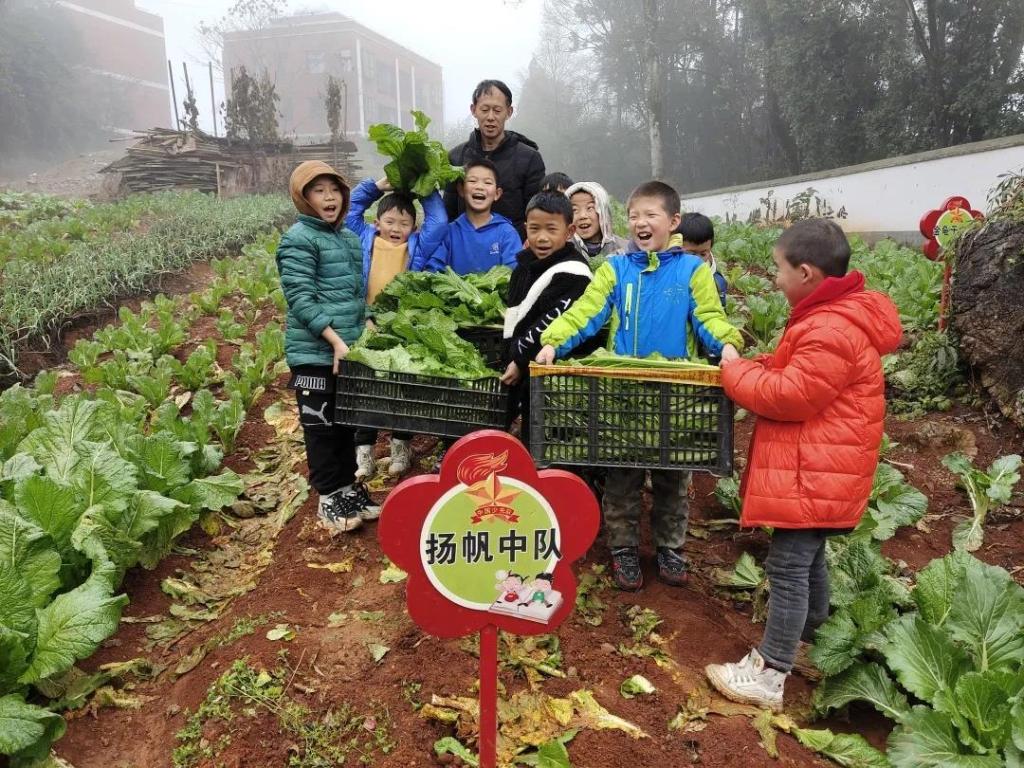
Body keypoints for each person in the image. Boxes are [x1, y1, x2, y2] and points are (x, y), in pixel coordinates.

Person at [704, 219, 902, 712]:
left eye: (778, 269)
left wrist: (735, 372)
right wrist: (765, 363)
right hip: (822, 472)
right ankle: (808, 646)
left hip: (813, 474)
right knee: (808, 563)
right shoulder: (832, 316)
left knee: (789, 569)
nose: (774, 279)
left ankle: (771, 673)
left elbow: (790, 396)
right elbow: (802, 373)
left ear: (807, 273)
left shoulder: (831, 327)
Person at [536, 181, 743, 591]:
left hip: (674, 394)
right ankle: (623, 549)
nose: (641, 223)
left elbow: (709, 317)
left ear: (673, 222)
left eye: (651, 215)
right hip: (623, 395)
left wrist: (728, 345)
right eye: (634, 216)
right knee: (622, 477)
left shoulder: (693, 271)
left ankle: (670, 548)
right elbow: (587, 313)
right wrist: (553, 342)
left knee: (672, 478)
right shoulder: (615, 268)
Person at [275, 160, 379, 534]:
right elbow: (301, 300)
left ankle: (349, 489)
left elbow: (356, 291)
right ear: (303, 199)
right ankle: (329, 498)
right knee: (320, 426)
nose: (329, 196)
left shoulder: (348, 239)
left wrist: (366, 319)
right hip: (314, 354)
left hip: (345, 350)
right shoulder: (297, 240)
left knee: (345, 424)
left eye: (334, 189)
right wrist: (335, 341)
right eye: (318, 190)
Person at [344, 176, 447, 481]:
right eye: (389, 221)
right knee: (367, 389)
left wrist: (422, 187)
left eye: (404, 223)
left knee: (404, 388)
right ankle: (364, 452)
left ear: (414, 228)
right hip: (367, 326)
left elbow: (439, 220)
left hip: (402, 327)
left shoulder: (417, 245)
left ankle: (400, 447)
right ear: (376, 222)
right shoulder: (362, 237)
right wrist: (378, 186)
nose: (396, 228)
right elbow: (350, 209)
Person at [500, 191, 593, 445]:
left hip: (554, 370)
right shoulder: (523, 267)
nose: (542, 238)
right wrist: (512, 355)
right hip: (523, 362)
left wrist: (519, 360)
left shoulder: (575, 273)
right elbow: (514, 313)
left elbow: (550, 321)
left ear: (569, 230)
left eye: (551, 229)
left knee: (546, 434)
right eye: (534, 228)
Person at [444, 79, 545, 239]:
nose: (491, 117)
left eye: (497, 110)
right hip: (465, 249)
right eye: (484, 109)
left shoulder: (529, 158)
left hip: (513, 251)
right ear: (474, 110)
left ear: (509, 112)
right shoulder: (456, 157)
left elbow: (537, 214)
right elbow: (448, 214)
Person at [425, 158, 521, 275]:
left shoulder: (507, 233)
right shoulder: (449, 232)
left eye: (487, 182)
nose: (479, 187)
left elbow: (515, 274)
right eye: (472, 181)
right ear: (461, 189)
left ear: (497, 194)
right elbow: (433, 270)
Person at [672, 212, 727, 307]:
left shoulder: (717, 281)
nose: (697, 260)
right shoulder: (669, 272)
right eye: (691, 254)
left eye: (703, 254)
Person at [565, 181, 629, 259]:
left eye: (590, 208)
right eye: (574, 210)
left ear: (603, 212)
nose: (582, 216)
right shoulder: (562, 250)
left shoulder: (625, 250)